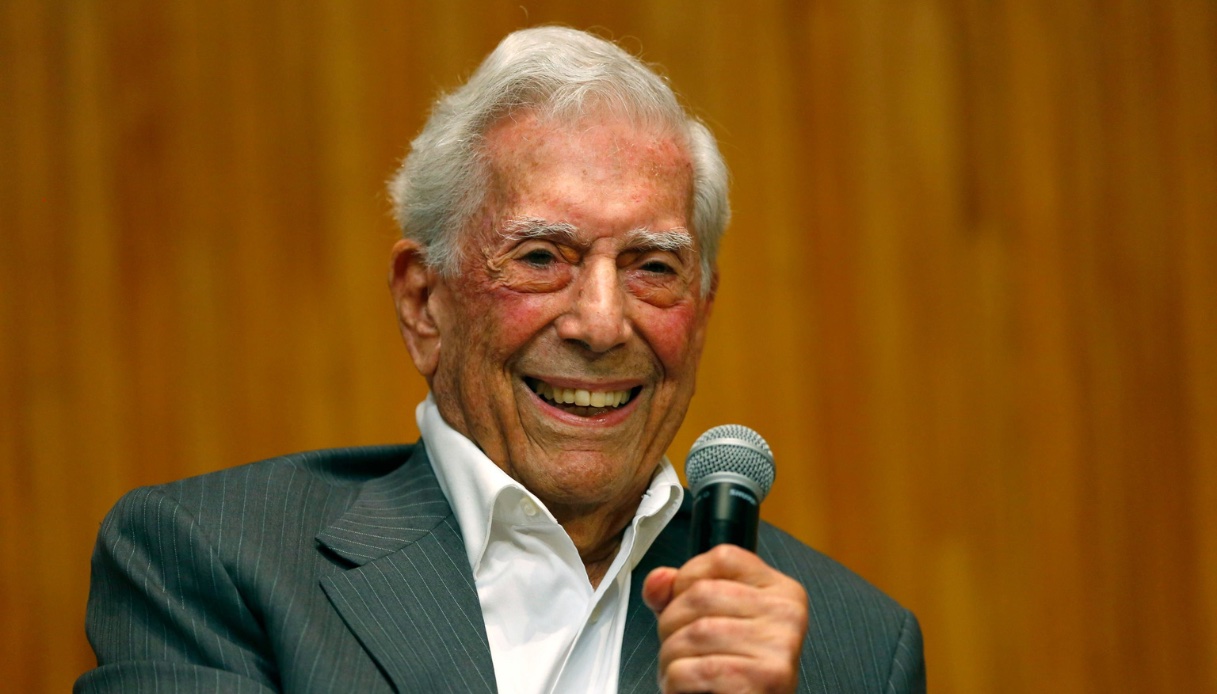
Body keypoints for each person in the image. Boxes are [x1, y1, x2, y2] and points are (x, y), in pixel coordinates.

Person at [76, 26, 925, 694]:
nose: (601, 323)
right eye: (541, 257)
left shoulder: (854, 649)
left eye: (652, 267)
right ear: (424, 303)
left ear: (700, 314)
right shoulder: (214, 564)